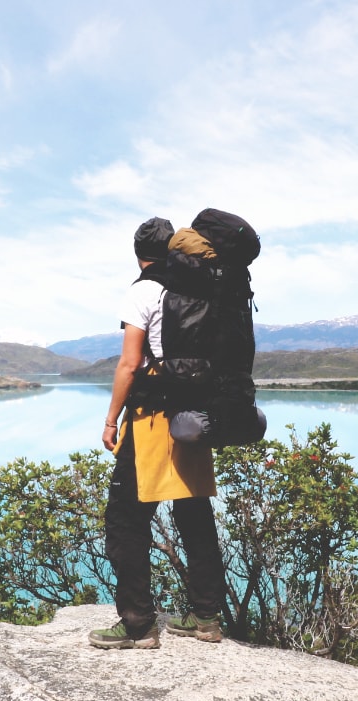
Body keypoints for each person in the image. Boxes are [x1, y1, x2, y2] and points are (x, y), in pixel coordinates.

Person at [88, 217, 227, 649]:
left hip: (150, 419)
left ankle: (137, 625)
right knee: (194, 515)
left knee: (126, 520)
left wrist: (111, 420)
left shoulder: (143, 291)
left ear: (138, 255)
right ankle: (206, 618)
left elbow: (130, 363)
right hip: (192, 419)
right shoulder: (204, 287)